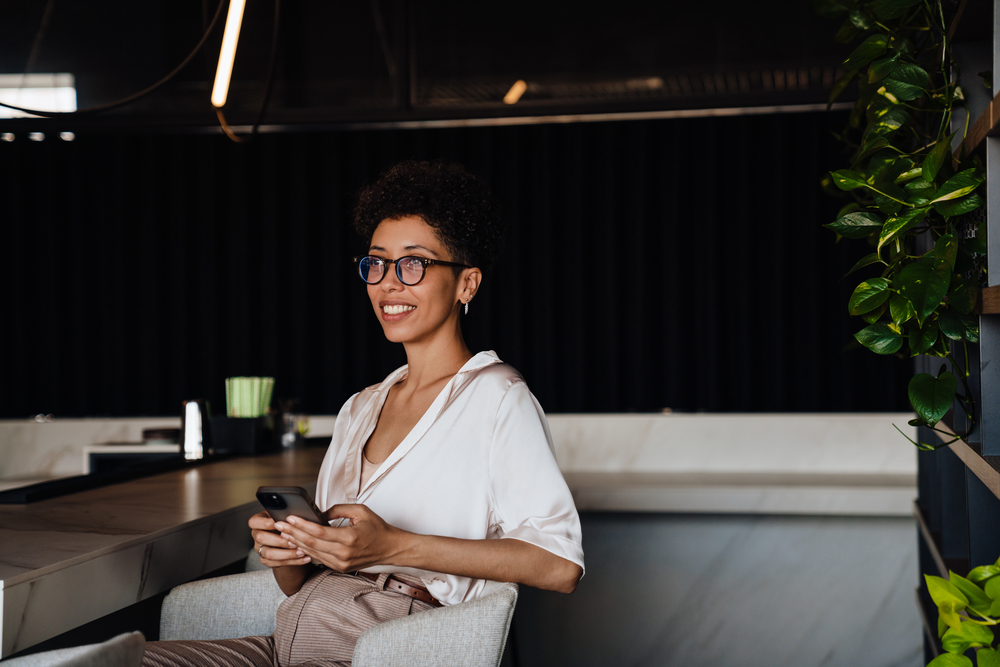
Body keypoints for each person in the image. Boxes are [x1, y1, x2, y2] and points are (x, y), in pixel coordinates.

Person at [143, 161, 584, 667]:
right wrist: (292, 552)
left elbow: (559, 564)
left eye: (413, 264)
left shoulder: (497, 397)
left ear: (467, 284)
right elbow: (303, 583)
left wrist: (393, 546)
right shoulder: (361, 406)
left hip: (382, 649)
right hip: (291, 639)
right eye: (376, 264)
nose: (389, 284)